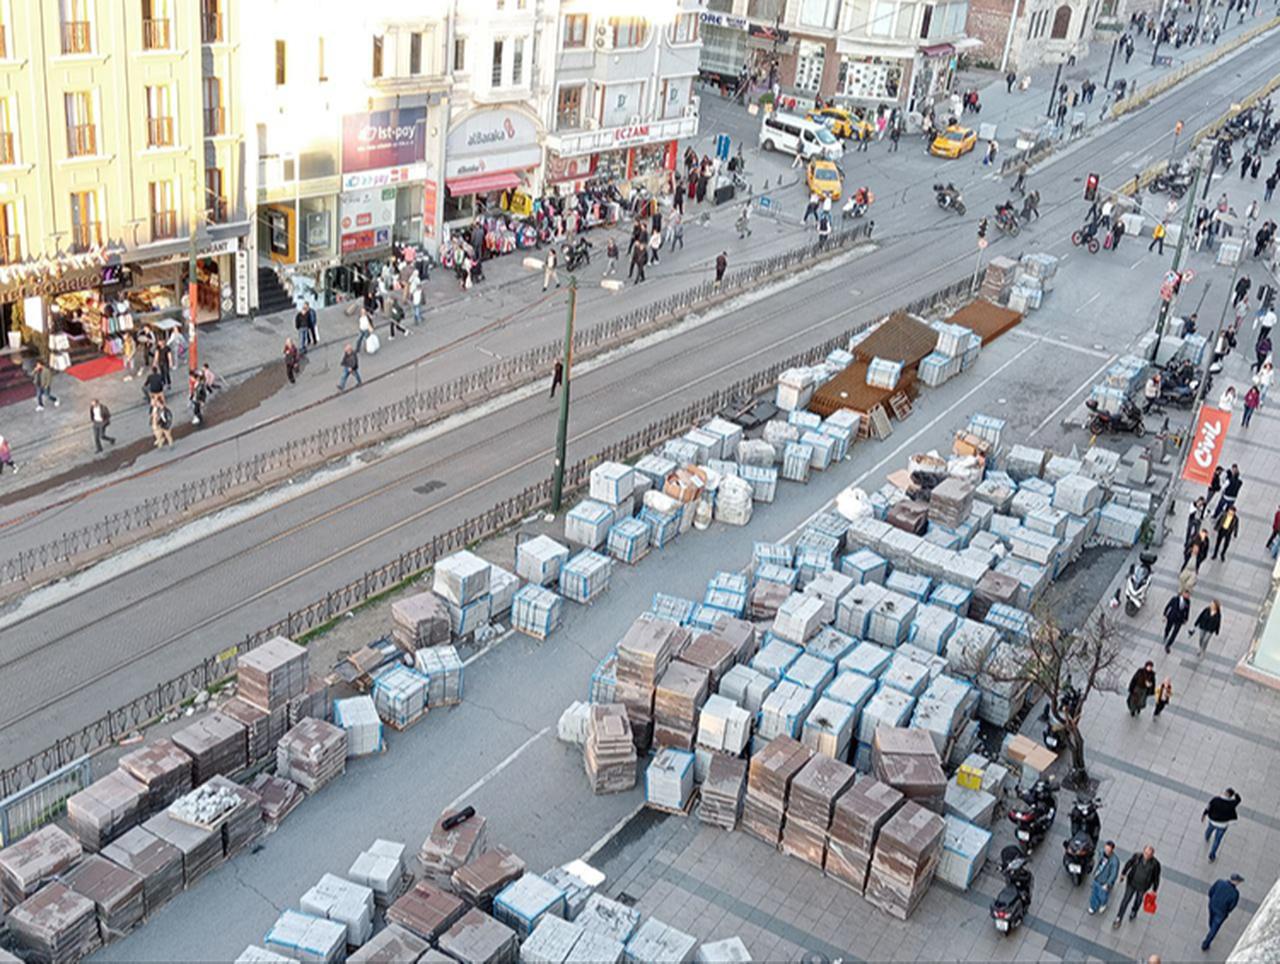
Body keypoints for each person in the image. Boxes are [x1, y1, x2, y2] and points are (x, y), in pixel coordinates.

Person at [1113, 846, 1161, 927]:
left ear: (1152, 855)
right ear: (1143, 851)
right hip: (1131, 883)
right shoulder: (1137, 857)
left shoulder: (1155, 864)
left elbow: (1156, 877)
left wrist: (1154, 890)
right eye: (1145, 853)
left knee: (1138, 901)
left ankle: (1134, 911)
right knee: (1125, 900)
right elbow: (1129, 864)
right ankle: (1119, 917)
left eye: (1149, 854)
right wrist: (1123, 873)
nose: (1146, 856)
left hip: (1143, 887)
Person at [1202, 875, 1244, 950]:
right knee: (1215, 928)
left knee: (1211, 919)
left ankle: (1211, 927)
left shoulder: (1220, 882)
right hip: (1221, 913)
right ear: (1236, 882)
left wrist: (1212, 900)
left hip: (1212, 905)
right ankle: (1206, 943)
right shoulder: (1235, 893)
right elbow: (1231, 906)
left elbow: (1211, 891)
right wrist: (1226, 912)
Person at [1202, 789, 1242, 862]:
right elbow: (1239, 800)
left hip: (1213, 821)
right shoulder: (1232, 803)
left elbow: (1209, 807)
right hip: (1223, 825)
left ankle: (1207, 837)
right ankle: (1212, 855)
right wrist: (1236, 793)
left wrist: (1204, 814)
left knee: (1209, 829)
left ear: (1225, 793)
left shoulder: (1216, 799)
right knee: (1217, 840)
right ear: (1231, 796)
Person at [1089, 841, 1119, 914]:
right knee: (1094, 893)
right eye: (1106, 849)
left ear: (1112, 850)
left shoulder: (1114, 861)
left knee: (1102, 895)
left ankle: (1103, 904)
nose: (1106, 851)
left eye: (1108, 850)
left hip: (1104, 882)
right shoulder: (1102, 852)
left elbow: (1113, 874)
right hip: (1097, 877)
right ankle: (1093, 906)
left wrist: (1108, 884)